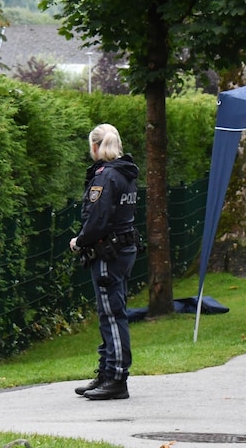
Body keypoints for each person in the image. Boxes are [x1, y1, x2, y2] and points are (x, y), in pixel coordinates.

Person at [70, 123, 139, 400]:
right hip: (124, 248)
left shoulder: (106, 176)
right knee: (110, 312)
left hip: (108, 252)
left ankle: (117, 377)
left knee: (111, 315)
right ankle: (107, 371)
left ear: (95, 146)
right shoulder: (126, 172)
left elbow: (98, 218)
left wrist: (79, 241)